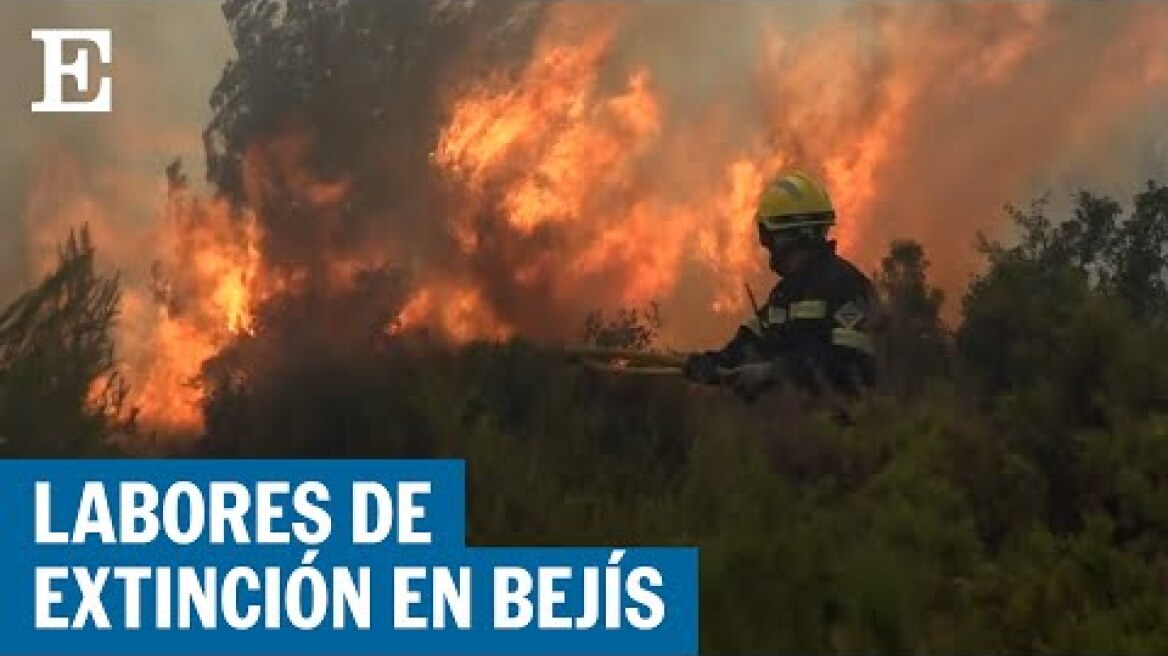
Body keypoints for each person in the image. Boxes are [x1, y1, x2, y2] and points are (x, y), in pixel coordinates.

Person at [683, 169, 879, 402]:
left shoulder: (844, 285)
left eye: (769, 235)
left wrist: (772, 372)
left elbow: (851, 363)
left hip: (840, 429)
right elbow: (748, 344)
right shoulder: (784, 295)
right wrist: (711, 363)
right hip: (788, 425)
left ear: (795, 234)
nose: (766, 245)